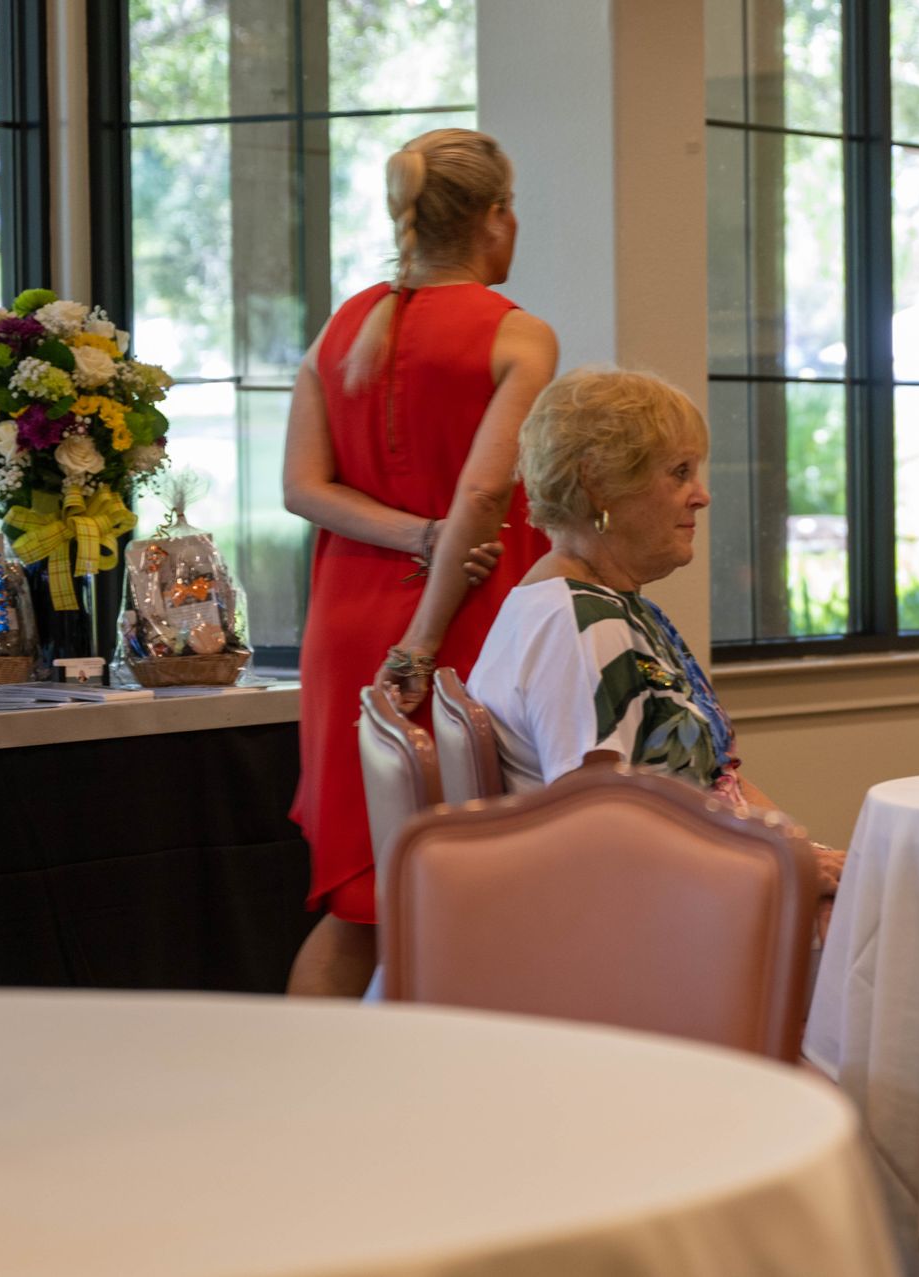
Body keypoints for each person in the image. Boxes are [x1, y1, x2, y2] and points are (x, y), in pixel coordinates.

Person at [282, 128, 560, 996]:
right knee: (480, 883)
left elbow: (301, 488)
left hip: (345, 621)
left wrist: (409, 534)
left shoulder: (341, 329)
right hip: (457, 623)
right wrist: (419, 643)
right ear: (493, 218)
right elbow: (480, 501)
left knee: (366, 899)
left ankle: (306, 1100)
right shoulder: (517, 337)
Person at [465, 367, 844, 899]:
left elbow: (716, 778)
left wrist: (801, 850)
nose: (702, 496)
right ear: (598, 483)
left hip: (708, 889)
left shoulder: (606, 606)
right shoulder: (577, 629)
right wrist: (782, 866)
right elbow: (598, 836)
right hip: (664, 922)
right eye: (679, 472)